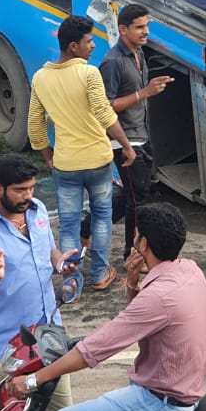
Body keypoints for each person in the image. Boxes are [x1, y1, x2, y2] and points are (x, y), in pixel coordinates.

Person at [7, 203, 206, 411]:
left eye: (136, 233)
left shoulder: (160, 296)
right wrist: (133, 282)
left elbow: (96, 348)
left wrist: (34, 380)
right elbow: (143, 321)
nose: (133, 237)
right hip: (174, 390)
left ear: (143, 243)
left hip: (161, 403)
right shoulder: (189, 270)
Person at [0, 154, 78, 411]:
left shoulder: (36, 211)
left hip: (49, 338)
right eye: (20, 190)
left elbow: (48, 250)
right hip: (6, 348)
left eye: (32, 188)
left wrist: (60, 264)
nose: (28, 196)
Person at [28, 15, 137, 300]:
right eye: (89, 42)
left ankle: (71, 280)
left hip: (65, 164)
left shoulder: (40, 78)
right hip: (98, 161)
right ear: (74, 46)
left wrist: (48, 155)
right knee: (102, 216)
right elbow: (104, 113)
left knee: (68, 223)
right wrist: (126, 145)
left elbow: (35, 125)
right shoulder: (88, 74)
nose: (93, 46)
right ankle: (100, 274)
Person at [99, 3, 173, 260]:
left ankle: (87, 226)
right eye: (140, 27)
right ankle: (132, 253)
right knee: (138, 200)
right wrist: (144, 93)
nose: (146, 32)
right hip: (124, 140)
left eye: (147, 26)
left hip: (142, 134)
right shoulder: (112, 62)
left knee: (135, 193)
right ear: (123, 29)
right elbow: (105, 107)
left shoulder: (139, 54)